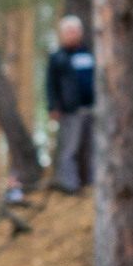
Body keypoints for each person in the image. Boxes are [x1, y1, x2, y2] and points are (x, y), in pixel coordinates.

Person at [44, 15, 94, 193]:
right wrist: (52, 107)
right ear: (62, 34)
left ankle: (91, 183)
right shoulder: (58, 58)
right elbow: (50, 84)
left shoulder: (88, 53)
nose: (72, 34)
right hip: (71, 110)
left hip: (92, 108)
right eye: (69, 31)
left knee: (91, 148)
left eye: (75, 30)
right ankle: (70, 185)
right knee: (71, 149)